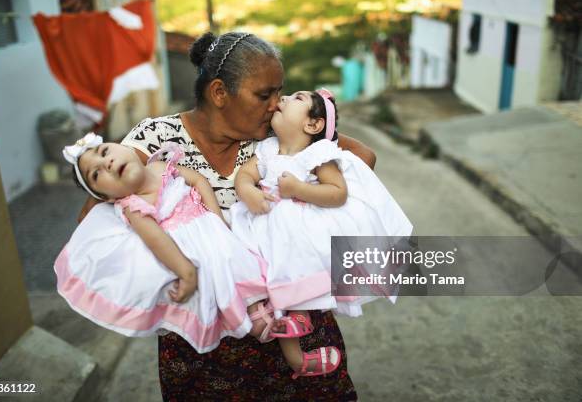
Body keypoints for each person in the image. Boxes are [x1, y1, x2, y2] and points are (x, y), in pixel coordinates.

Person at [78, 31, 376, 400]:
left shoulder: (275, 135)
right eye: (264, 95)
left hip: (295, 323)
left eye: (279, 93)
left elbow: (363, 157)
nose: (276, 104)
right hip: (202, 343)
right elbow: (96, 217)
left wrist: (301, 202)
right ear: (219, 93)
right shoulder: (156, 138)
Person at [57, 132, 342, 377]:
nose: (105, 163)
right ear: (106, 198)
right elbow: (158, 242)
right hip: (197, 250)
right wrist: (186, 272)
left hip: (216, 230)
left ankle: (291, 329)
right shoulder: (132, 206)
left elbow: (200, 183)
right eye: (97, 174)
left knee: (259, 268)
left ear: (126, 148)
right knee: (228, 282)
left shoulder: (162, 166)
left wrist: (217, 220)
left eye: (105, 151)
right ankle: (277, 339)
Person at [230, 88, 412, 378]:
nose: (284, 99)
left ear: (312, 125)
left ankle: (296, 335)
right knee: (250, 265)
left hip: (295, 231)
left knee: (294, 276)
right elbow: (246, 174)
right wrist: (248, 191)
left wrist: (300, 190)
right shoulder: (266, 148)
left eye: (296, 99)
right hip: (264, 224)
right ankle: (292, 353)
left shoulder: (318, 154)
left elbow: (337, 193)